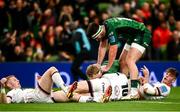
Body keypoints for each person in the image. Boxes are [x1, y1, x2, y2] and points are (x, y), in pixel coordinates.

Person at [87, 17, 151, 98]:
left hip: (142, 33)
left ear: (99, 33)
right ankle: (126, 86)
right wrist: (98, 64)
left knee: (130, 60)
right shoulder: (104, 29)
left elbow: (113, 49)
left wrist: (108, 67)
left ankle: (134, 92)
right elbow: (102, 46)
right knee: (122, 62)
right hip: (133, 36)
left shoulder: (110, 27)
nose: (96, 40)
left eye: (96, 37)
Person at [0, 66, 71, 103]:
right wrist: (2, 87)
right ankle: (66, 90)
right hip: (40, 96)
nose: (18, 80)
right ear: (9, 85)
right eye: (14, 80)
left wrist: (40, 82)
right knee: (52, 69)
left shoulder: (22, 91)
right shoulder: (12, 92)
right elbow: (6, 102)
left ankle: (70, 92)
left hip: (46, 98)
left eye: (17, 79)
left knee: (74, 95)